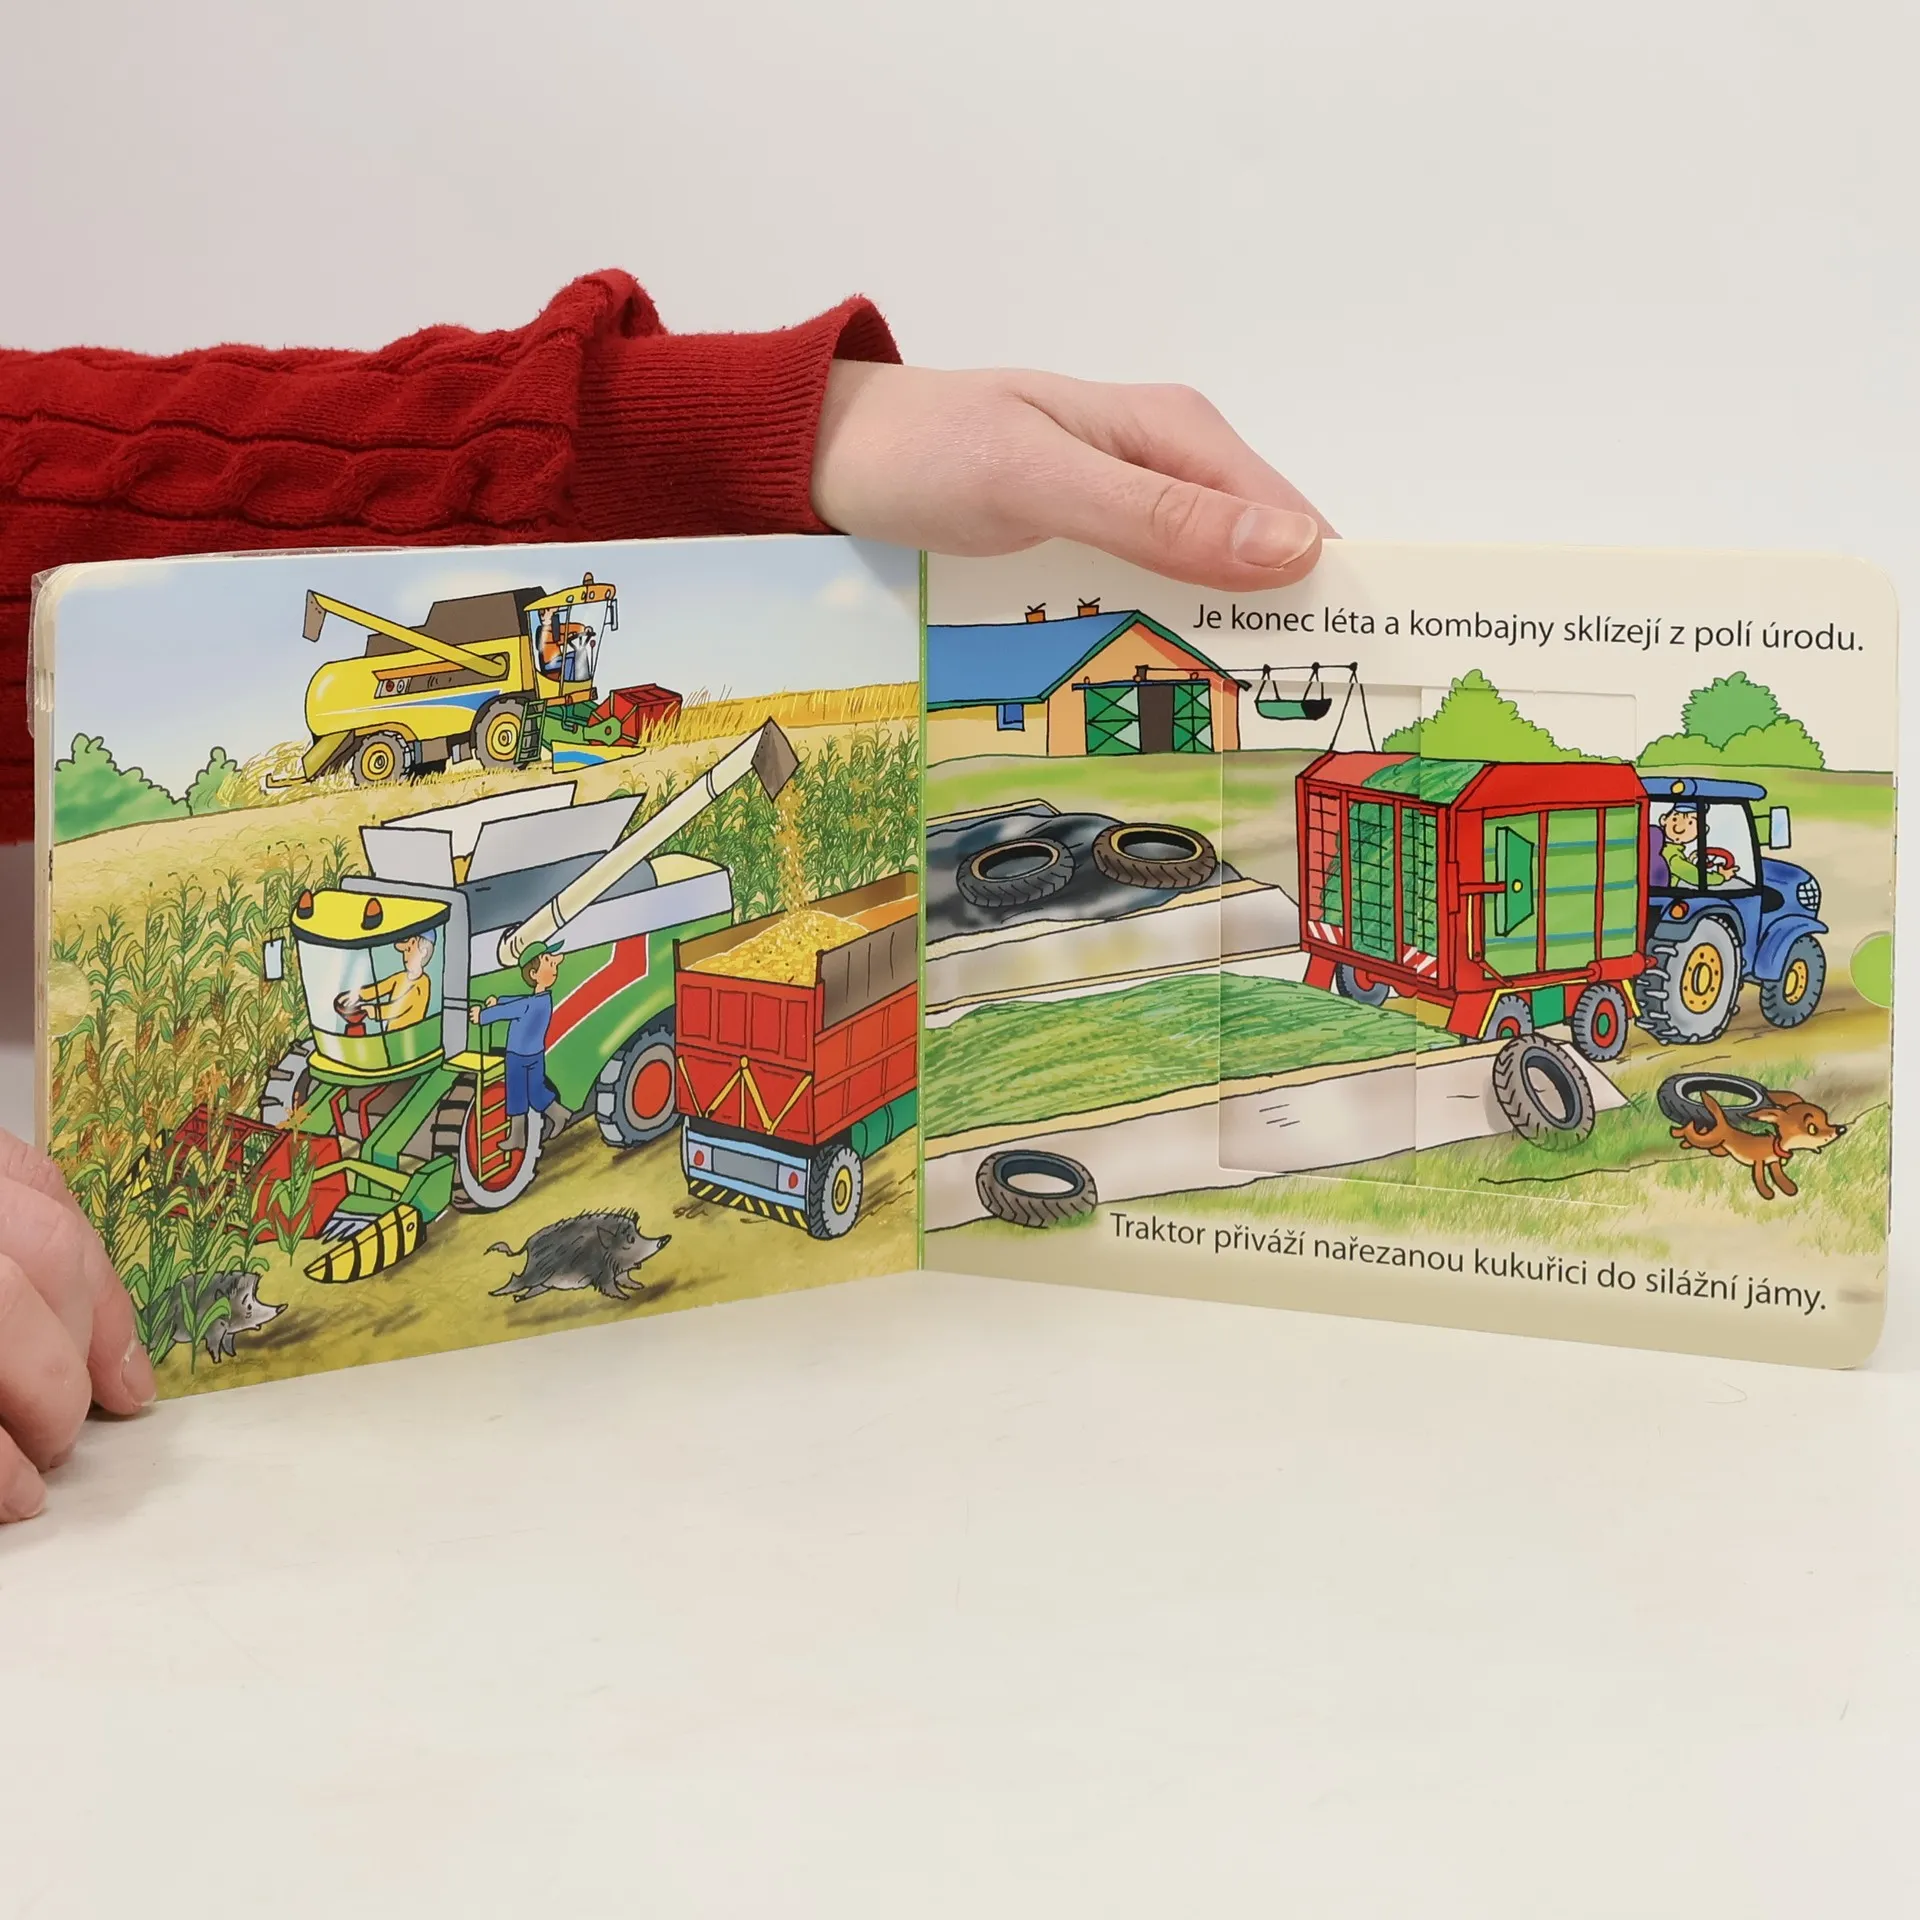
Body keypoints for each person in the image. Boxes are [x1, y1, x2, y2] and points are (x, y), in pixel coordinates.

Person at [0, 269, 1332, 1523]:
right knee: (500, 1046)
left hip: (538, 972)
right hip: (509, 986)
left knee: (532, 1047)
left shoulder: (533, 839)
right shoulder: (464, 913)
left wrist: (744, 435)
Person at [472, 944, 569, 1152]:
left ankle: (537, 1125)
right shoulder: (539, 999)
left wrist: (483, 1016)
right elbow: (517, 1002)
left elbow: (511, 1009)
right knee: (532, 1092)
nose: (554, 968)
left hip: (518, 1055)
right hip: (533, 1054)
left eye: (553, 964)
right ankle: (548, 1119)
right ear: (534, 974)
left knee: (519, 1093)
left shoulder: (533, 1004)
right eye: (549, 963)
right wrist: (498, 1001)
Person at [360, 931, 438, 1032]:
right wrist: (358, 995)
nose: (405, 956)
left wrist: (375, 1011)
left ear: (423, 952)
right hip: (391, 1033)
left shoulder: (423, 983)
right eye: (404, 951)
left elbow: (399, 1007)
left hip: (409, 1035)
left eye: (409, 950)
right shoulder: (401, 977)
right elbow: (379, 989)